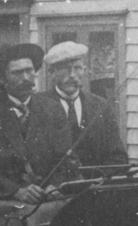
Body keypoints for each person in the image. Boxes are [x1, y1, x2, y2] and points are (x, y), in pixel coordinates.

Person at [0, 43, 80, 201]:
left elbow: (65, 161)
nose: (25, 78)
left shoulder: (53, 110)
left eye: (29, 70)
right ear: (2, 78)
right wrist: (16, 192)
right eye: (17, 73)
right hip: (5, 203)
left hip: (49, 199)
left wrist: (56, 185)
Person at [42, 40, 128, 172]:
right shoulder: (38, 105)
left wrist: (98, 181)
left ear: (84, 70)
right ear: (52, 72)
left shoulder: (101, 106)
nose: (72, 75)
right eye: (65, 69)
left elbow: (117, 156)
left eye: (77, 68)